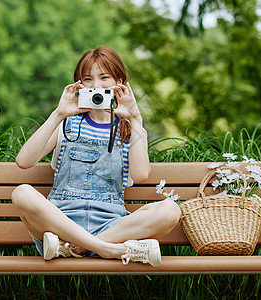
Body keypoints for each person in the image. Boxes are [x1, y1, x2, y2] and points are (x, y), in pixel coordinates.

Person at [11, 46, 181, 267]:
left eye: (104, 77)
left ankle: (78, 248)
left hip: (110, 226)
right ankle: (106, 250)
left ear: (119, 81)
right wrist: (59, 113)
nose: (96, 86)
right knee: (22, 193)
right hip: (60, 226)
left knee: (170, 209)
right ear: (78, 85)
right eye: (88, 79)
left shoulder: (128, 129)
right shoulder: (66, 124)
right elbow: (23, 161)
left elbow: (140, 175)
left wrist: (136, 119)